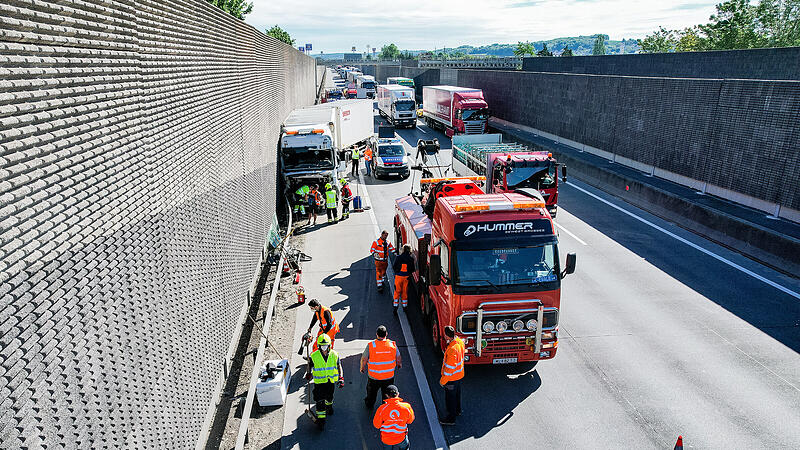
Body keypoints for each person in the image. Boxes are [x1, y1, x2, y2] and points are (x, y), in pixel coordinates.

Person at [305, 334, 344, 430]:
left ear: (329, 345)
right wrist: (308, 373)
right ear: (319, 346)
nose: (324, 348)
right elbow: (309, 366)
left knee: (329, 397)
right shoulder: (314, 356)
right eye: (322, 346)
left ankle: (329, 407)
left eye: (325, 345)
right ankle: (321, 421)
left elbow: (339, 366)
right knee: (319, 401)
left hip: (330, 382)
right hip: (319, 383)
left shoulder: (334, 354)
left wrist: (341, 377)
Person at [360, 325, 402, 409]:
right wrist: (399, 364)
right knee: (387, 394)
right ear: (386, 334)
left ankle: (369, 404)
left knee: (371, 393)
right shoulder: (392, 345)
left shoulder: (371, 345)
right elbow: (398, 357)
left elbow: (364, 358)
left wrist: (362, 367)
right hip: (388, 377)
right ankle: (385, 407)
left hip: (374, 377)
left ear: (376, 334)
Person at [373, 385, 414, 449]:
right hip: (401, 438)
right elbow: (410, 421)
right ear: (398, 394)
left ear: (387, 395)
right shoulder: (406, 407)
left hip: (386, 439)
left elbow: (377, 425)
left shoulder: (382, 409)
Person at [438, 326, 464, 426]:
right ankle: (458, 410)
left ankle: (451, 418)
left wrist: (442, 381)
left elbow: (449, 370)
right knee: (457, 395)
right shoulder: (460, 342)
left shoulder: (452, 349)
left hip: (451, 379)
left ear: (446, 335)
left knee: (450, 399)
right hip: (459, 376)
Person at [392, 245, 415, 315]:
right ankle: (405, 307)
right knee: (404, 292)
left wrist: (397, 272)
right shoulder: (411, 259)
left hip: (398, 277)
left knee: (397, 292)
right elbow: (412, 269)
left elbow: (394, 266)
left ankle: (395, 307)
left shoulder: (398, 257)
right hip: (406, 278)